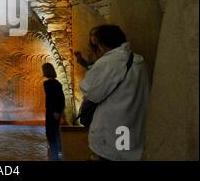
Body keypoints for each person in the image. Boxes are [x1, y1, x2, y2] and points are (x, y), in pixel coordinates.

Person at [79, 25, 151, 161]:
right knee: (125, 154)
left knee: (115, 156)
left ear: (102, 44)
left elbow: (91, 92)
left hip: (113, 128)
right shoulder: (138, 60)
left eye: (96, 45)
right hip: (132, 124)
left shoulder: (108, 62)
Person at [42, 62, 65, 161]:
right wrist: (59, 111)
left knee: (50, 133)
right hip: (56, 111)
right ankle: (58, 153)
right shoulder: (58, 83)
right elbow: (61, 99)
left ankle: (54, 156)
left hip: (52, 111)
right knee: (55, 132)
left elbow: (51, 99)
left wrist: (54, 111)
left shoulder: (47, 84)